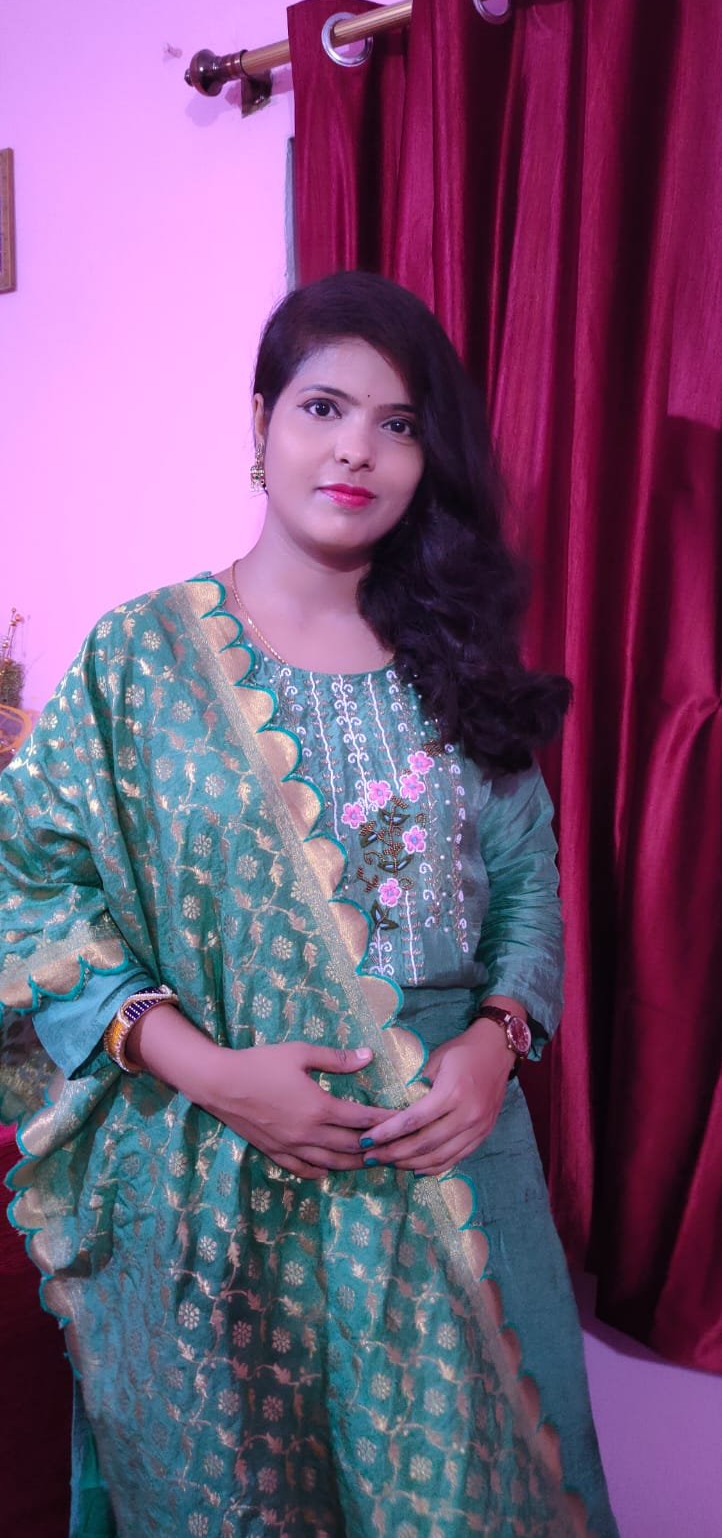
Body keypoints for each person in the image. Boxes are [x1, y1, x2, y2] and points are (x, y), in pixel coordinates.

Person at [0, 271, 618, 1538]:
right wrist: (214, 1073)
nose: (355, 450)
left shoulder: (456, 664)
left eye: (397, 424)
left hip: (449, 1178)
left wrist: (496, 1039)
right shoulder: (140, 659)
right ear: (261, 423)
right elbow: (25, 888)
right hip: (214, 1195)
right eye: (323, 408)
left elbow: (524, 885)